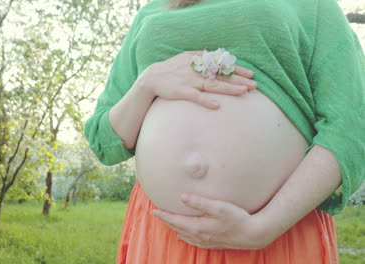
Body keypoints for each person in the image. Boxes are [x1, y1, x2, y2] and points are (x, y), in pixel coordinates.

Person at [84, 0, 365, 263]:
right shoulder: (155, 9)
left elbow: (349, 125)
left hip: (276, 235)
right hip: (167, 234)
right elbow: (103, 139)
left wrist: (262, 228)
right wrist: (146, 83)